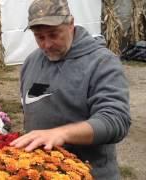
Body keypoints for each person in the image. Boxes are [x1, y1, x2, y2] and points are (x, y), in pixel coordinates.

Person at [10, 0, 131, 179]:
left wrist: (61, 133)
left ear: (71, 24)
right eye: (39, 37)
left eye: (53, 34)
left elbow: (115, 120)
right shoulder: (31, 62)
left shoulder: (101, 63)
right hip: (42, 172)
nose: (47, 44)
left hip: (90, 173)